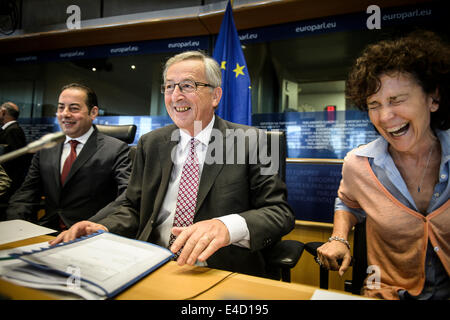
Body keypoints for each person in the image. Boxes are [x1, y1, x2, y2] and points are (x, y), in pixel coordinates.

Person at [51, 51, 295, 277]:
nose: (175, 95)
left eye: (187, 85)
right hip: (150, 262)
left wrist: (227, 226)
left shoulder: (254, 142)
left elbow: (278, 213)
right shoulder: (151, 143)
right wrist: (103, 226)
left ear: (215, 96)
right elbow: (134, 205)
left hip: (219, 269)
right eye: (169, 86)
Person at [315, 31, 449, 300]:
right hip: (387, 294)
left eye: (397, 100)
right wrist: (339, 238)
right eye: (374, 104)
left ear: (432, 98)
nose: (386, 116)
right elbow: (348, 202)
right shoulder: (358, 164)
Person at [6, 83, 132, 231]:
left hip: (91, 233)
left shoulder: (116, 149)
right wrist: (12, 226)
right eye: (60, 107)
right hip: (48, 231)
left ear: (93, 112)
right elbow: (26, 194)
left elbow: (127, 197)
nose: (65, 114)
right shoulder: (46, 148)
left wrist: (90, 227)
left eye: (74, 108)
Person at [0, 101, 31, 194]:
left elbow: (16, 161)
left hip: (7, 185)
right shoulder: (8, 130)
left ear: (3, 112)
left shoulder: (13, 130)